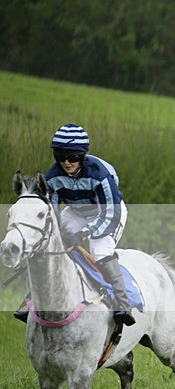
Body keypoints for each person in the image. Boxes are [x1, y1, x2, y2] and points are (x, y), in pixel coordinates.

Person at [15, 123, 135, 325]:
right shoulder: (53, 177)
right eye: (60, 156)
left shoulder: (100, 174)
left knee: (100, 250)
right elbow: (51, 213)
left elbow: (110, 212)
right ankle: (33, 299)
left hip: (108, 211)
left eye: (72, 157)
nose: (66, 162)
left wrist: (84, 234)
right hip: (77, 212)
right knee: (54, 248)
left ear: (83, 156)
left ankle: (123, 305)